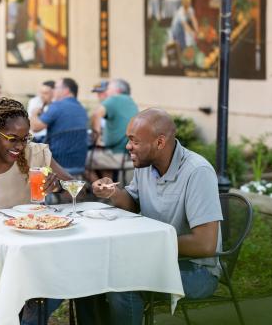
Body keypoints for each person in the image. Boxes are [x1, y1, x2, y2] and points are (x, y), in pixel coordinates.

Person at [0, 97, 100, 325]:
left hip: (40, 248)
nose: (20, 146)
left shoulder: (35, 154)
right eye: (12, 139)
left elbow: (79, 191)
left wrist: (58, 185)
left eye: (25, 138)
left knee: (85, 269)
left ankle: (31, 312)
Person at [92, 108, 222, 325]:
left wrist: (147, 246)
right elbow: (133, 204)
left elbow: (205, 244)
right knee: (94, 272)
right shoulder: (145, 165)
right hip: (156, 258)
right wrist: (113, 192)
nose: (128, 146)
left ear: (160, 143)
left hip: (196, 270)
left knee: (124, 282)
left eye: (134, 141)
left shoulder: (197, 172)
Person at [30, 78, 88, 172]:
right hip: (79, 163)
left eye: (56, 88)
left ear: (66, 90)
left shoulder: (57, 106)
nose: (53, 91)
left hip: (58, 163)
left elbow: (35, 128)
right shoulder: (82, 108)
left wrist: (34, 113)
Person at [87, 79, 138, 181]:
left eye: (108, 88)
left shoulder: (115, 99)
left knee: (81, 160)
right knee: (102, 159)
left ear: (117, 90)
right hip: (128, 154)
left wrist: (96, 138)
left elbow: (96, 114)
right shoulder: (131, 102)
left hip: (117, 155)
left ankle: (103, 190)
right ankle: (111, 192)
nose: (106, 91)